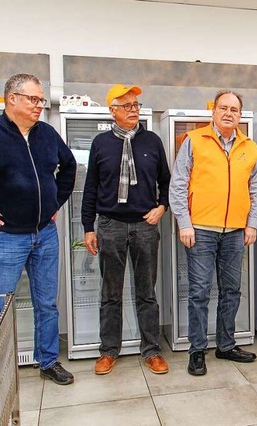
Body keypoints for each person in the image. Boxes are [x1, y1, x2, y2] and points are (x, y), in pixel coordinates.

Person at [0, 73, 76, 385]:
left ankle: (47, 361)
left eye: (41, 100)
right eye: (33, 99)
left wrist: (54, 203)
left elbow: (69, 166)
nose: (39, 106)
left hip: (44, 234)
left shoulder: (45, 133)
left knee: (46, 302)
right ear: (12, 99)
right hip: (4, 237)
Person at [169, 90, 257, 376]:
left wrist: (252, 223)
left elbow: (254, 189)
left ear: (240, 115)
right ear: (213, 112)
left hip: (235, 231)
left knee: (231, 290)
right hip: (201, 230)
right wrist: (184, 222)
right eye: (224, 108)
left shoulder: (250, 147)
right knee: (199, 292)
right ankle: (197, 351)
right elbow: (178, 184)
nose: (228, 113)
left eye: (234, 109)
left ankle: (225, 345)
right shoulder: (194, 141)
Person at [82, 84, 171, 375]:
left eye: (136, 105)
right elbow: (91, 187)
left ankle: (152, 350)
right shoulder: (101, 143)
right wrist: (88, 227)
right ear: (113, 111)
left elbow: (167, 182)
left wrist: (162, 207)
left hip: (145, 226)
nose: (134, 110)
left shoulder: (153, 141)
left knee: (147, 292)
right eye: (127, 105)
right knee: (111, 293)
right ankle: (108, 351)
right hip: (110, 225)